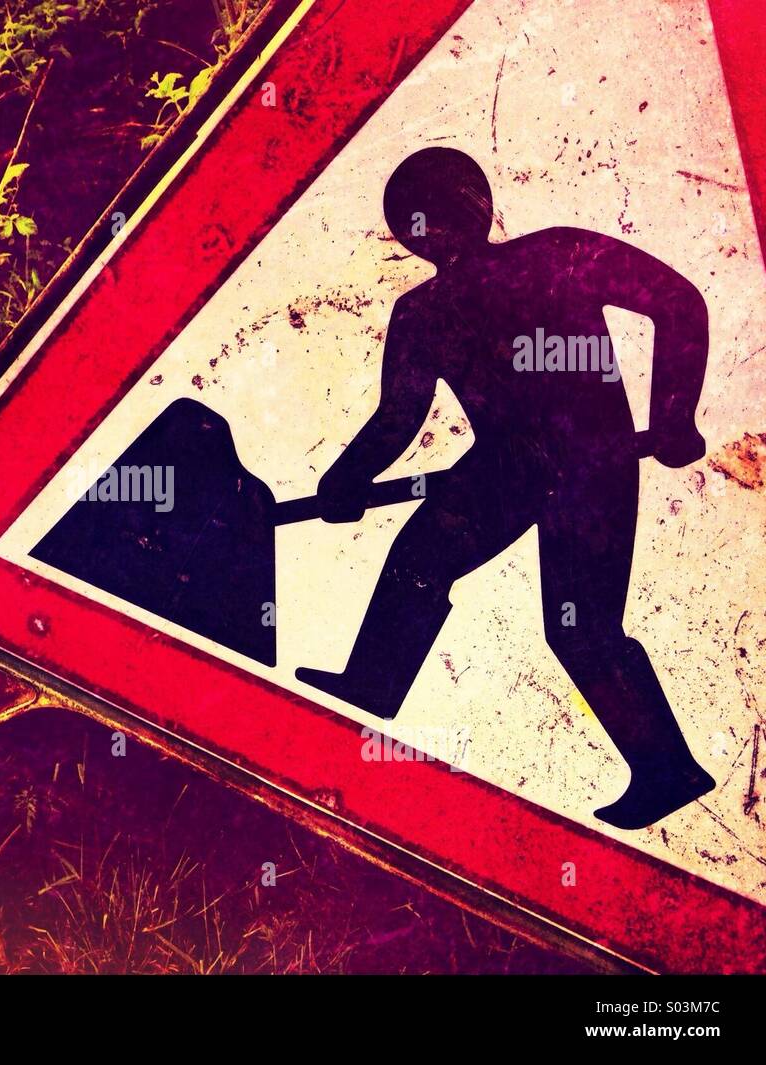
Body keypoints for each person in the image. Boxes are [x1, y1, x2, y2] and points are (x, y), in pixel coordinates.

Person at [296, 147, 715, 829]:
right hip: (505, 464)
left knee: (581, 627)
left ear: (479, 206)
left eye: (436, 212)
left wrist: (673, 413)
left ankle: (668, 767)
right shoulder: (421, 311)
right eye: (415, 220)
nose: (430, 230)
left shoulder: (556, 254)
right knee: (417, 558)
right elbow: (399, 416)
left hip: (591, 458)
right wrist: (345, 479)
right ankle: (371, 685)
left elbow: (676, 301)